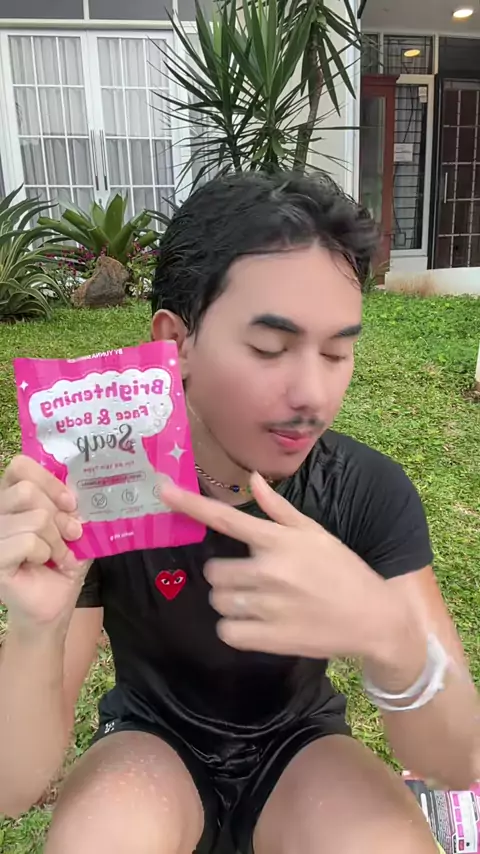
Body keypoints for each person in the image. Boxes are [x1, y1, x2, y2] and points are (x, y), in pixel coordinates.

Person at [0, 172, 478, 854]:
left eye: (337, 352)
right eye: (269, 349)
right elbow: (12, 789)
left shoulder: (362, 491)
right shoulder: (102, 493)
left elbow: (457, 764)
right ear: (175, 343)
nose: (312, 394)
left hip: (301, 748)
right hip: (149, 742)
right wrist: (35, 628)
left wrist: (392, 638)